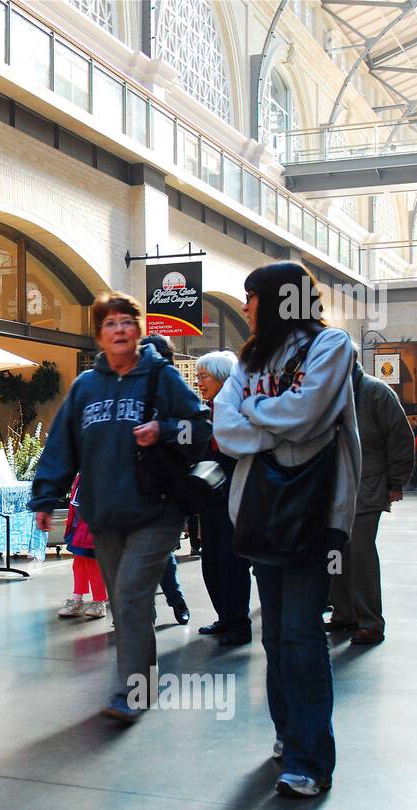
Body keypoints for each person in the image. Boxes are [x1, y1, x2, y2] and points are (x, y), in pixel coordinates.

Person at [213, 261, 360, 799]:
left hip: (317, 516)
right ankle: (288, 736)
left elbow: (306, 414)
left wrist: (256, 413)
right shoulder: (249, 360)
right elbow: (224, 427)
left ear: (277, 298)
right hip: (261, 513)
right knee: (274, 635)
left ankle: (310, 760)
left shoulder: (332, 346)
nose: (245, 306)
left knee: (300, 634)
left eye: (251, 296)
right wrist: (267, 419)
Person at [31, 293, 210, 723]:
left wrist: (164, 429)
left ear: (138, 328)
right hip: (105, 514)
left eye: (127, 322)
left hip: (158, 511)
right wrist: (45, 496)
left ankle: (132, 692)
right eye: (110, 324)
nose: (119, 330)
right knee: (125, 604)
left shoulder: (160, 377)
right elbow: (62, 445)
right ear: (99, 334)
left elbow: (201, 426)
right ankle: (141, 682)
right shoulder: (86, 388)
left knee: (129, 597)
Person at [327, 363, 414, 645]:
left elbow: (400, 437)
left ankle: (371, 622)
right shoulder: (331, 391)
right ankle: (344, 613)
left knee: (361, 554)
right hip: (334, 488)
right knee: (336, 552)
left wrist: (396, 482)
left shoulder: (377, 392)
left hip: (367, 485)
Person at [193, 350, 252, 646]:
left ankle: (239, 624)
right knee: (212, 560)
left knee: (232, 562)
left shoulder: (239, 411)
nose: (199, 382)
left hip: (236, 499)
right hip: (211, 501)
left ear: (223, 377)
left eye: (204, 376)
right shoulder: (205, 412)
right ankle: (225, 617)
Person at [140, 334, 191, 626]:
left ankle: (176, 599)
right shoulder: (130, 387)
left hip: (165, 486)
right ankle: (143, 613)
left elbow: (195, 428)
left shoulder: (173, 388)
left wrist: (163, 430)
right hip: (134, 489)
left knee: (161, 555)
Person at [58, 476, 108, 620]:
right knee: (79, 562)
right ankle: (77, 598)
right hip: (80, 524)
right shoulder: (81, 476)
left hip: (97, 524)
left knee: (93, 563)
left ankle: (99, 601)